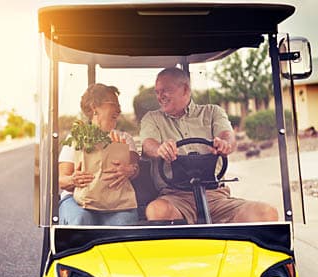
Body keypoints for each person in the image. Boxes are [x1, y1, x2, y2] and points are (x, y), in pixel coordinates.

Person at [140, 67, 278, 224]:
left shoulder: (212, 112)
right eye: (157, 92)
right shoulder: (152, 118)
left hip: (216, 196)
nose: (160, 96)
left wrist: (224, 144)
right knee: (156, 211)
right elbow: (148, 144)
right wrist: (160, 149)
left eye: (165, 91)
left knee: (266, 213)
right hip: (175, 198)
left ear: (185, 89)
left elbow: (227, 135)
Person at [58, 83, 140, 225]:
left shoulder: (124, 139)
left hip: (116, 200)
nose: (119, 109)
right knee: (81, 219)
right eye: (113, 104)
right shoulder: (77, 137)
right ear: (94, 108)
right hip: (76, 198)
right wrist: (73, 180)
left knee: (124, 222)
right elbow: (62, 180)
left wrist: (131, 169)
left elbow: (135, 168)